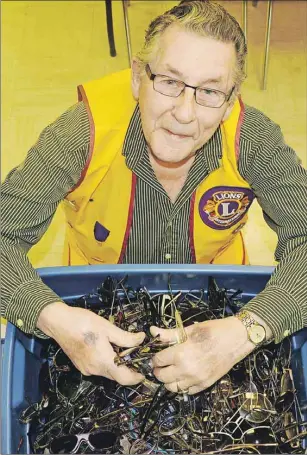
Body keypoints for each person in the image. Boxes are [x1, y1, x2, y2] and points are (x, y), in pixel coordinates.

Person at [1, 0, 307, 394]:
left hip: (219, 311)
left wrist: (246, 330)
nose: (184, 113)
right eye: (169, 81)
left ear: (230, 102)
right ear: (136, 78)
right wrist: (52, 316)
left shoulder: (254, 140)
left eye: (210, 91)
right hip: (98, 309)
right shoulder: (81, 134)